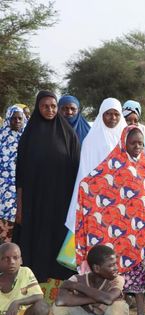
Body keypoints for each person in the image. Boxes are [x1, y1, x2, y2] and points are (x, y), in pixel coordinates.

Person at [75, 125, 145, 315]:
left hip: (139, 234)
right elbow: (94, 183)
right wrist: (85, 187)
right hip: (115, 234)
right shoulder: (112, 165)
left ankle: (140, 311)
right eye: (133, 143)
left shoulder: (144, 167)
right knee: (112, 272)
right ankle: (109, 309)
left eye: (140, 143)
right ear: (123, 143)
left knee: (139, 273)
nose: (137, 146)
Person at [14, 91, 81, 281]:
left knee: (57, 239)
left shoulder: (68, 134)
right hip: (35, 201)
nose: (50, 110)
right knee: (35, 239)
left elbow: (77, 169)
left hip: (62, 201)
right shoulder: (29, 136)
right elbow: (20, 175)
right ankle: (34, 281)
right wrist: (20, 206)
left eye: (53, 106)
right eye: (45, 106)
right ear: (38, 107)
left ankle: (60, 283)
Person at [64, 98, 128, 248]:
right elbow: (85, 172)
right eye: (108, 114)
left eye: (116, 114)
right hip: (97, 198)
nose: (112, 118)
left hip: (122, 197)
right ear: (101, 115)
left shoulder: (126, 138)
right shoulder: (92, 140)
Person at [0, 106, 25, 243]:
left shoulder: (28, 139)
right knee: (5, 232)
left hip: (23, 189)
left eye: (19, 118)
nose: (17, 121)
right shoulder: (1, 138)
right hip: (4, 194)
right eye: (13, 118)